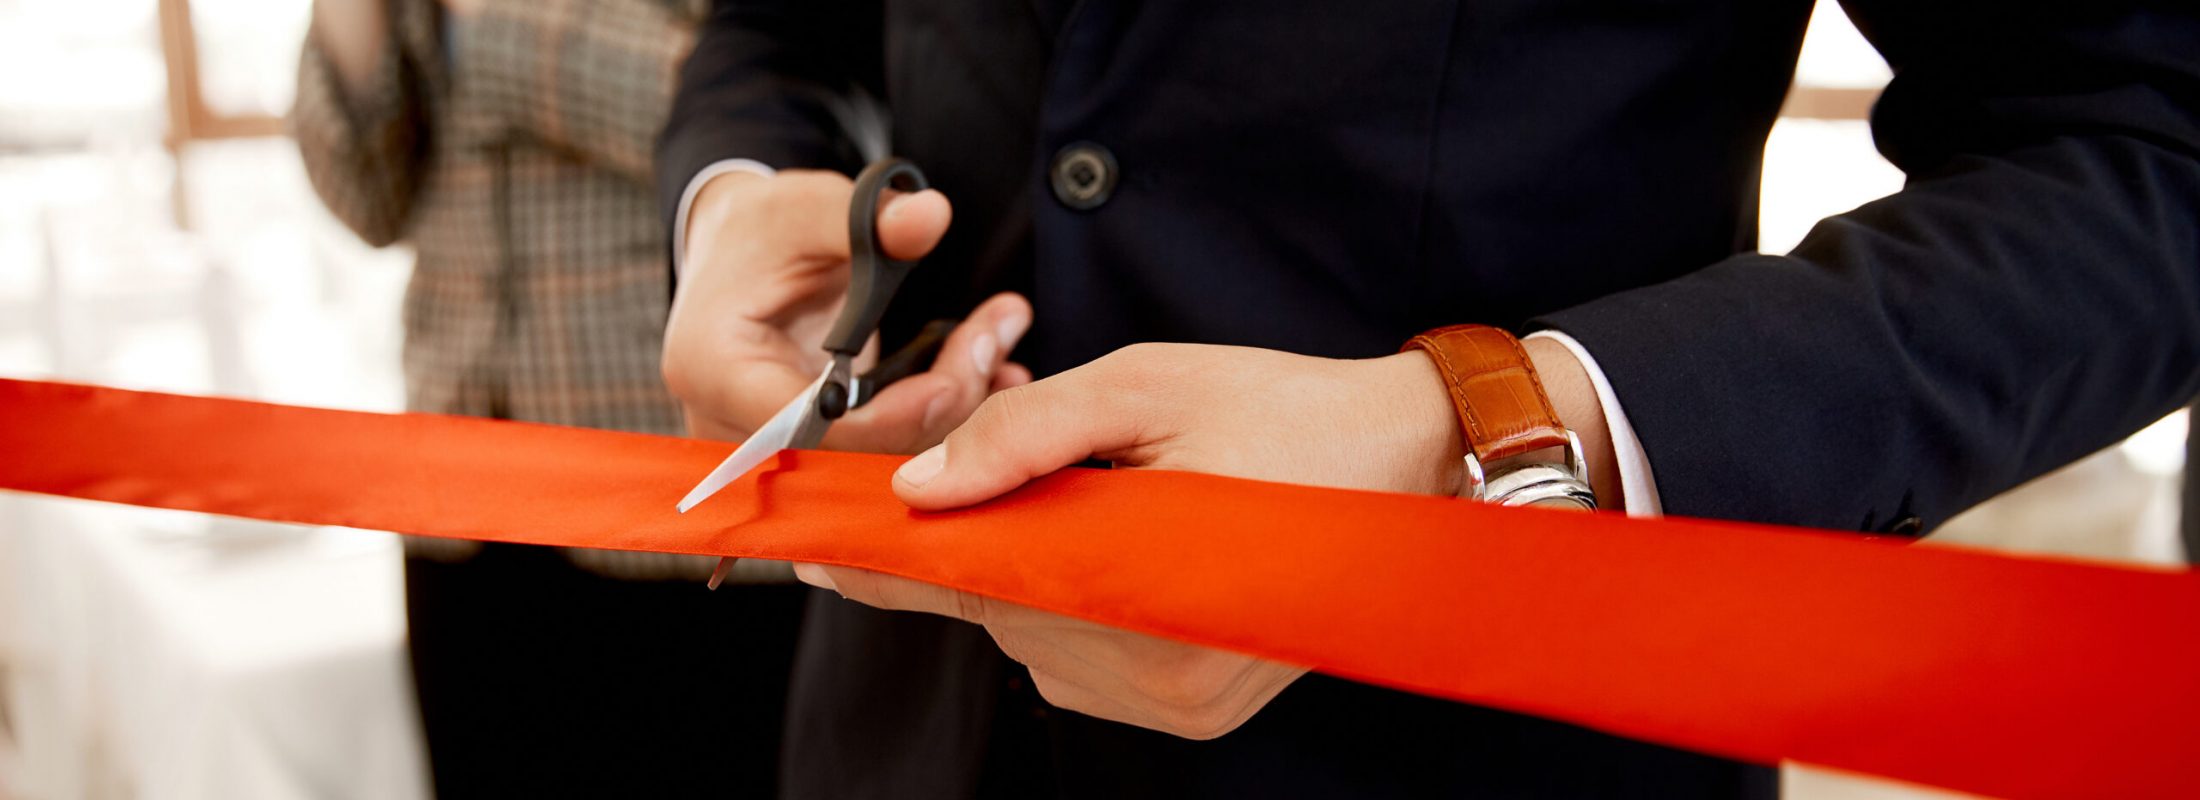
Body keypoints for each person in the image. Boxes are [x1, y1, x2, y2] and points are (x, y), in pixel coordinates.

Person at [660, 2, 2200, 797]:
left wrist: (1492, 431)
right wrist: (729, 199)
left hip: (1486, 765)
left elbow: (2151, 158)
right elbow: (783, 27)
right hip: (898, 737)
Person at [293, 0, 804, 795]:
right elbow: (368, 199)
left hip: (674, 484)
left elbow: (774, 120)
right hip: (457, 487)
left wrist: (490, 22)